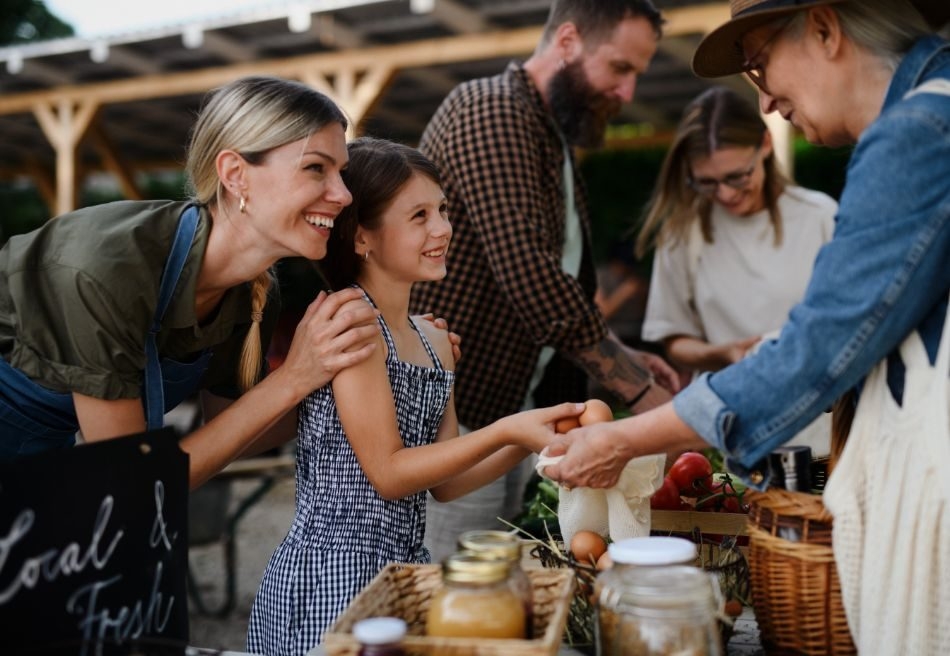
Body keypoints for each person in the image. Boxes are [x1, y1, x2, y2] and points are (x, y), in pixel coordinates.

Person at [544, 0, 949, 652]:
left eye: (760, 67)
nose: (766, 103)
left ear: (824, 27)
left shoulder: (915, 133)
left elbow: (815, 351)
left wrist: (625, 442)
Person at [246, 137, 582, 653]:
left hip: (403, 570)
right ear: (362, 238)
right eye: (419, 215)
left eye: (442, 210)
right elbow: (389, 473)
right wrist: (507, 428)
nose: (443, 229)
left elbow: (445, 484)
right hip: (332, 576)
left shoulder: (432, 341)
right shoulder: (351, 326)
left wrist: (532, 438)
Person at [0, 76, 390, 489]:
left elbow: (236, 430)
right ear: (235, 174)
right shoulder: (106, 270)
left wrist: (365, 373)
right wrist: (293, 376)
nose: (344, 195)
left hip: (33, 466)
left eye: (341, 173)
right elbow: (133, 480)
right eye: (316, 168)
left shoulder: (253, 295)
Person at [408, 0, 681, 561]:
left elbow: (563, 283)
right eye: (620, 68)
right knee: (460, 601)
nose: (628, 93)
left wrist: (620, 350)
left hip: (513, 414)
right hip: (458, 420)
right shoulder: (490, 110)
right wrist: (640, 391)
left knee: (504, 591)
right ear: (568, 41)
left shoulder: (548, 136)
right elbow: (532, 277)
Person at [637, 85, 837, 455]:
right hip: (726, 427)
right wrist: (725, 352)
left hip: (816, 426)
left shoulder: (819, 216)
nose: (725, 194)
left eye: (736, 176)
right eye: (707, 182)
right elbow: (674, 340)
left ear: (765, 144)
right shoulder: (682, 232)